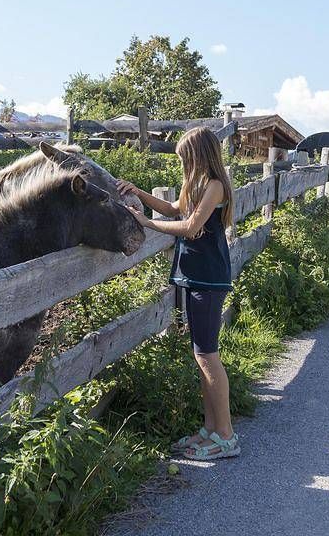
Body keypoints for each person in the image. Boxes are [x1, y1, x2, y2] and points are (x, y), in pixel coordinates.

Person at [118, 126, 240, 460]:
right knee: (201, 354)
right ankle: (211, 429)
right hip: (194, 277)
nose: (183, 164)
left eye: (185, 158)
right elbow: (174, 209)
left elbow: (189, 227)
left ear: (199, 155)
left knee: (207, 355)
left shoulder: (215, 187)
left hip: (210, 279)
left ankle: (226, 436)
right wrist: (140, 193)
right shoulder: (196, 184)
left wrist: (146, 223)